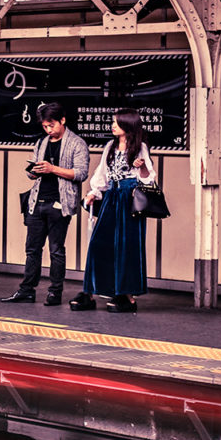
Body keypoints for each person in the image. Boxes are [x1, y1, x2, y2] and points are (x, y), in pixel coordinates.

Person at [3, 102, 92, 306]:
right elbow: (31, 171)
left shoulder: (77, 143)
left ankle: (55, 292)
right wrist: (33, 171)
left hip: (60, 203)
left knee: (56, 250)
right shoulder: (42, 142)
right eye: (44, 126)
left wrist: (52, 169)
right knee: (32, 249)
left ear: (62, 120)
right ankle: (27, 290)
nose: (48, 130)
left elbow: (80, 173)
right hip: (36, 201)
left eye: (51, 125)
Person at [74, 110, 158, 313]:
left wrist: (142, 166)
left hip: (129, 199)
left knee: (127, 247)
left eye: (116, 122)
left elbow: (148, 179)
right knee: (98, 243)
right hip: (112, 197)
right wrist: (95, 192)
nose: (112, 125)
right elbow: (102, 172)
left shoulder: (140, 147)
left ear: (128, 125)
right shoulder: (110, 146)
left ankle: (127, 296)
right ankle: (90, 291)